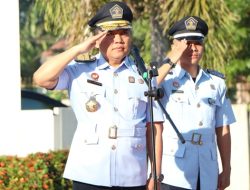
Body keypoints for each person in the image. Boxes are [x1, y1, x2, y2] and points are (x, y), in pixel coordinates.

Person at [33, 1, 164, 190]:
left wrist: (156, 175)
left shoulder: (144, 76)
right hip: (90, 173)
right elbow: (41, 78)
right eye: (110, 34)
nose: (118, 39)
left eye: (124, 32)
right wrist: (78, 49)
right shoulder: (79, 70)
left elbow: (155, 128)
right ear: (97, 38)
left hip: (132, 174)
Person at [156, 16, 236, 190]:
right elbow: (146, 87)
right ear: (175, 46)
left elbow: (223, 128)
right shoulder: (165, 79)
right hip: (174, 172)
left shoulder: (216, 82)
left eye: (197, 42)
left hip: (207, 169)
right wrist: (173, 57)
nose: (193, 48)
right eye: (186, 43)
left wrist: (227, 168)